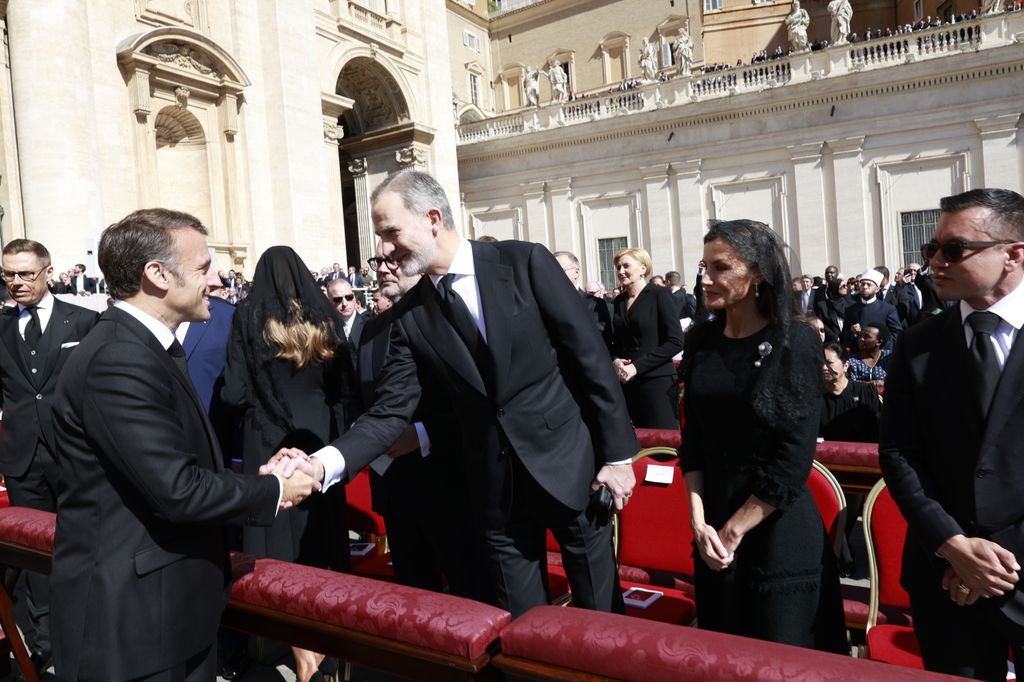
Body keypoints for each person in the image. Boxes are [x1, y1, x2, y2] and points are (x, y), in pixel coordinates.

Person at [267, 169, 638, 619]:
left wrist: (618, 457)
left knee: (602, 621)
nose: (383, 250)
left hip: (572, 469)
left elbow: (590, 359)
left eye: (390, 233)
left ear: (432, 219)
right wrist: (321, 465)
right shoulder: (410, 315)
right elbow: (389, 413)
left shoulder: (524, 263)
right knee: (523, 627)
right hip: (494, 493)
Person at [50, 209, 317, 682]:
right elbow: (177, 489)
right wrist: (275, 489)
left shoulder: (145, 347)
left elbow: (165, 468)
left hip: (168, 611)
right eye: (203, 268)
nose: (216, 280)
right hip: (134, 625)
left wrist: (254, 478)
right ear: (158, 275)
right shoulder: (119, 357)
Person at [678, 219, 847, 652]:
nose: (706, 279)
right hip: (713, 529)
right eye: (704, 267)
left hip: (776, 529)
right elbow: (693, 440)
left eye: (721, 267)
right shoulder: (701, 340)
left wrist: (733, 532)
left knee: (780, 659)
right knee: (723, 655)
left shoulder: (796, 341)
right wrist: (699, 522)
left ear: (756, 274)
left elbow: (793, 458)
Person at [880, 188, 1024, 680]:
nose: (935, 262)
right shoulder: (918, 343)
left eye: (954, 249)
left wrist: (992, 565)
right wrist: (954, 546)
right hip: (944, 578)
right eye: (931, 249)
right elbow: (900, 453)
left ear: (1013, 255)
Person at [221, 245, 350, 682]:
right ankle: (328, 636)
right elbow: (342, 387)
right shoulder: (326, 318)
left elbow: (234, 392)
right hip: (318, 439)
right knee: (321, 535)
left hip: (267, 439)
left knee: (277, 543)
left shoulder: (248, 318)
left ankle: (296, 646)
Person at [356, 246, 484, 600]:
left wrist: (422, 434)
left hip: (451, 488)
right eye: (378, 262)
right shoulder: (370, 331)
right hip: (395, 492)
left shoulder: (451, 318)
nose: (383, 269)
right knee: (414, 602)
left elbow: (479, 404)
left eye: (392, 261)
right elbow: (363, 400)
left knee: (469, 599)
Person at [0, 239, 98, 674]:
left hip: (74, 455)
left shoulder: (84, 321)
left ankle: (91, 634)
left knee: (82, 545)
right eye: (8, 274)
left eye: (25, 273)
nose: (16, 282)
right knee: (34, 554)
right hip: (22, 460)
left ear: (48, 272)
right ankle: (46, 642)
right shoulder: (1, 327)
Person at [611, 247, 684, 429]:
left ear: (643, 269)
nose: (621, 271)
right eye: (618, 267)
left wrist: (637, 367)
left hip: (658, 383)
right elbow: (618, 341)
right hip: (627, 384)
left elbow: (675, 341)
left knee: (661, 440)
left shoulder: (660, 294)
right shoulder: (619, 301)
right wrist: (615, 359)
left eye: (626, 266)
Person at [820, 342, 882, 443]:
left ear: (846, 365)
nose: (824, 367)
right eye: (821, 363)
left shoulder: (865, 392)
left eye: (829, 363)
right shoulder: (814, 396)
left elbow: (876, 430)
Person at [842, 268, 902, 349]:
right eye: (862, 284)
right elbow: (844, 336)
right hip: (857, 354)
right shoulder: (851, 309)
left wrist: (882, 347)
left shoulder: (888, 309)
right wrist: (852, 332)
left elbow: (897, 333)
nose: (865, 287)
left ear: (877, 289)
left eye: (869, 285)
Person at [815, 278, 849, 344]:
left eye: (846, 285)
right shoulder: (823, 305)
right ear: (834, 288)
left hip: (848, 340)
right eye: (843, 286)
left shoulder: (850, 303)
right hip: (832, 341)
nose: (846, 287)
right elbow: (822, 323)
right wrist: (835, 337)